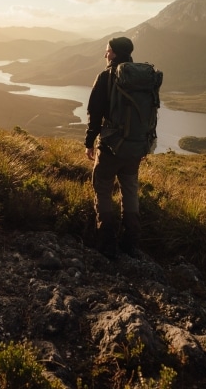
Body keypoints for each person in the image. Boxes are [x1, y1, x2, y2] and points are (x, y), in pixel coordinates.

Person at [84, 36, 143, 259]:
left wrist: (89, 142)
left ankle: (107, 242)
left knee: (103, 188)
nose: (105, 54)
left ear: (115, 53)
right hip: (135, 147)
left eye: (108, 51)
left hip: (110, 146)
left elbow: (95, 113)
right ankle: (131, 242)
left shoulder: (106, 76)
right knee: (130, 189)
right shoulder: (141, 78)